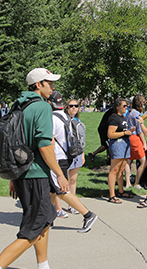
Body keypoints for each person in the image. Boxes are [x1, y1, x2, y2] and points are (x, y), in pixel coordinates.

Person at [0, 68, 69, 269]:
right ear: (37, 85)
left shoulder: (19, 105)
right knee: (32, 229)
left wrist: (13, 178)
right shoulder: (42, 107)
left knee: (42, 221)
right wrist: (60, 174)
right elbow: (44, 145)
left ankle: (43, 266)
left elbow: (13, 142)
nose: (52, 87)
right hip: (36, 174)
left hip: (23, 173)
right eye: (48, 82)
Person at [45, 92, 98, 232]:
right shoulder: (66, 117)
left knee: (61, 191)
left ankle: (88, 215)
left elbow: (50, 141)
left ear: (50, 103)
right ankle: (48, 220)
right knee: (51, 191)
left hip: (56, 158)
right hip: (67, 156)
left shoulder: (51, 118)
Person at [107, 98, 136, 203]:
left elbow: (123, 130)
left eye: (127, 106)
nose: (126, 107)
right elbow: (110, 134)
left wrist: (129, 131)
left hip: (125, 145)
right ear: (117, 107)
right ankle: (112, 195)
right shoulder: (114, 118)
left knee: (120, 170)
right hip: (117, 145)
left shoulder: (123, 117)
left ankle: (121, 191)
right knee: (114, 170)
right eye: (124, 106)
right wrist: (124, 133)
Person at [61, 99, 85, 213]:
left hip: (77, 153)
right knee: (62, 180)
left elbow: (81, 140)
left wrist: (82, 153)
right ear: (67, 107)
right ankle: (58, 208)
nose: (74, 108)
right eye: (71, 106)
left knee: (73, 180)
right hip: (65, 154)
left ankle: (71, 205)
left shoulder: (78, 121)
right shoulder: (63, 120)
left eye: (76, 106)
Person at [125, 95, 147, 189]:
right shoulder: (136, 114)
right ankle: (136, 183)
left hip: (128, 137)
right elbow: (139, 130)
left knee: (128, 160)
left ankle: (127, 182)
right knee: (143, 161)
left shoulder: (128, 113)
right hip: (135, 138)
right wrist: (144, 142)